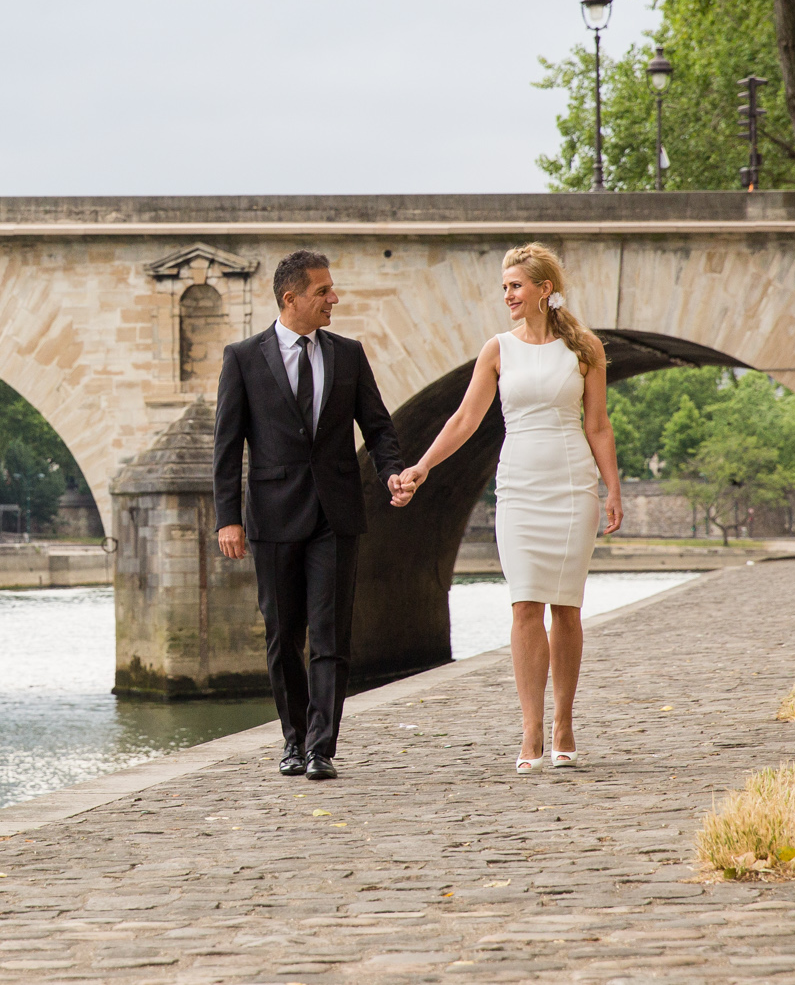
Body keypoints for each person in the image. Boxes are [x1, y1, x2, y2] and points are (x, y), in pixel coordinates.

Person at [390, 243, 622, 772]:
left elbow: (598, 424)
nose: (508, 296)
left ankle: (564, 721)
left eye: (516, 286)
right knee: (524, 606)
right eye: (504, 287)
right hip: (518, 487)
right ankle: (531, 729)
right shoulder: (497, 349)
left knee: (564, 607)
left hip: (571, 485)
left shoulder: (585, 349)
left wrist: (612, 488)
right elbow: (463, 420)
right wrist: (422, 467)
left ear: (544, 288)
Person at [214, 249, 406, 781]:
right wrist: (227, 518)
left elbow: (379, 425)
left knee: (330, 635)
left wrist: (392, 470)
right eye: (323, 291)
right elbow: (226, 447)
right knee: (283, 636)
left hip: (336, 514)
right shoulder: (243, 358)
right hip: (272, 516)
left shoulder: (348, 354)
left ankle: (322, 747)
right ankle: (292, 740)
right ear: (290, 298)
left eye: (332, 289)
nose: (334, 299)